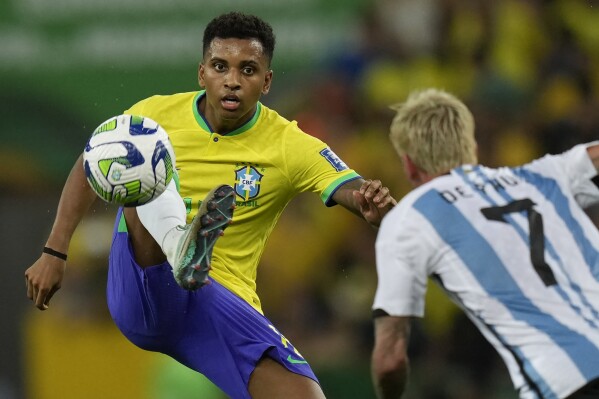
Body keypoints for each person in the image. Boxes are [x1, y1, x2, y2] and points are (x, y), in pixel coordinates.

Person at [24, 11, 397, 399]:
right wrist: (55, 250)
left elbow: (350, 186)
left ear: (267, 81)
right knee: (145, 151)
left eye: (248, 69)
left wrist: (372, 205)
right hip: (145, 285)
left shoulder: (289, 143)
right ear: (202, 73)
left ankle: (189, 254)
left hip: (218, 303)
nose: (232, 81)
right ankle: (178, 245)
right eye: (221, 67)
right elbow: (90, 162)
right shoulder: (155, 115)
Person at [370, 88, 599, 399]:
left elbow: (390, 361)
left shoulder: (409, 218)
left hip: (567, 382)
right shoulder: (545, 175)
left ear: (409, 165)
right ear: (473, 149)